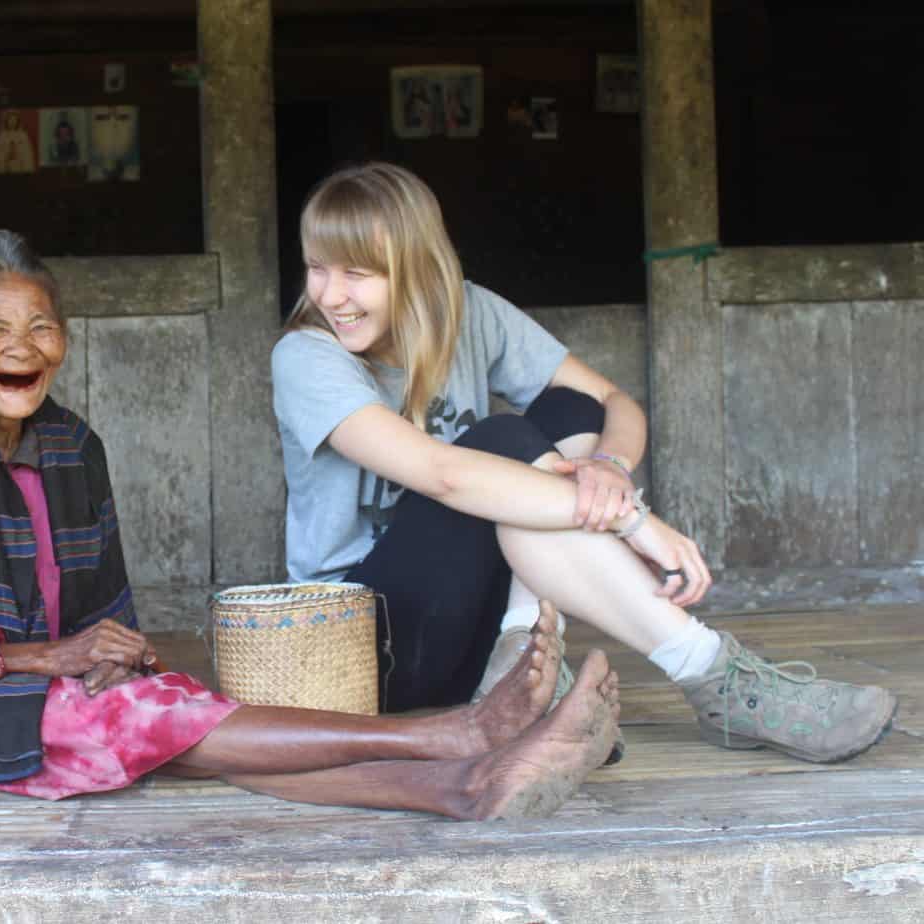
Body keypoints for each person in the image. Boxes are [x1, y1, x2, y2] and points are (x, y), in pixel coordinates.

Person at [0, 229, 622, 820]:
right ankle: (449, 741)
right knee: (139, 718)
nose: (20, 348)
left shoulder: (72, 447)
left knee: (162, 709)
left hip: (57, 685)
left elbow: (102, 617)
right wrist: (48, 658)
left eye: (39, 328)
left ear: (63, 344)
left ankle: (465, 786)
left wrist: (114, 654)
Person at [271, 162, 897, 764]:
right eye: (317, 269)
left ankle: (519, 660)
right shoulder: (307, 357)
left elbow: (610, 401)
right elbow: (445, 475)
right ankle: (710, 671)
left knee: (568, 410)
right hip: (365, 647)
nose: (331, 295)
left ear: (416, 268)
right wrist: (633, 522)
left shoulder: (468, 312)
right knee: (501, 440)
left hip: (468, 629)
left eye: (357, 273)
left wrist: (613, 472)